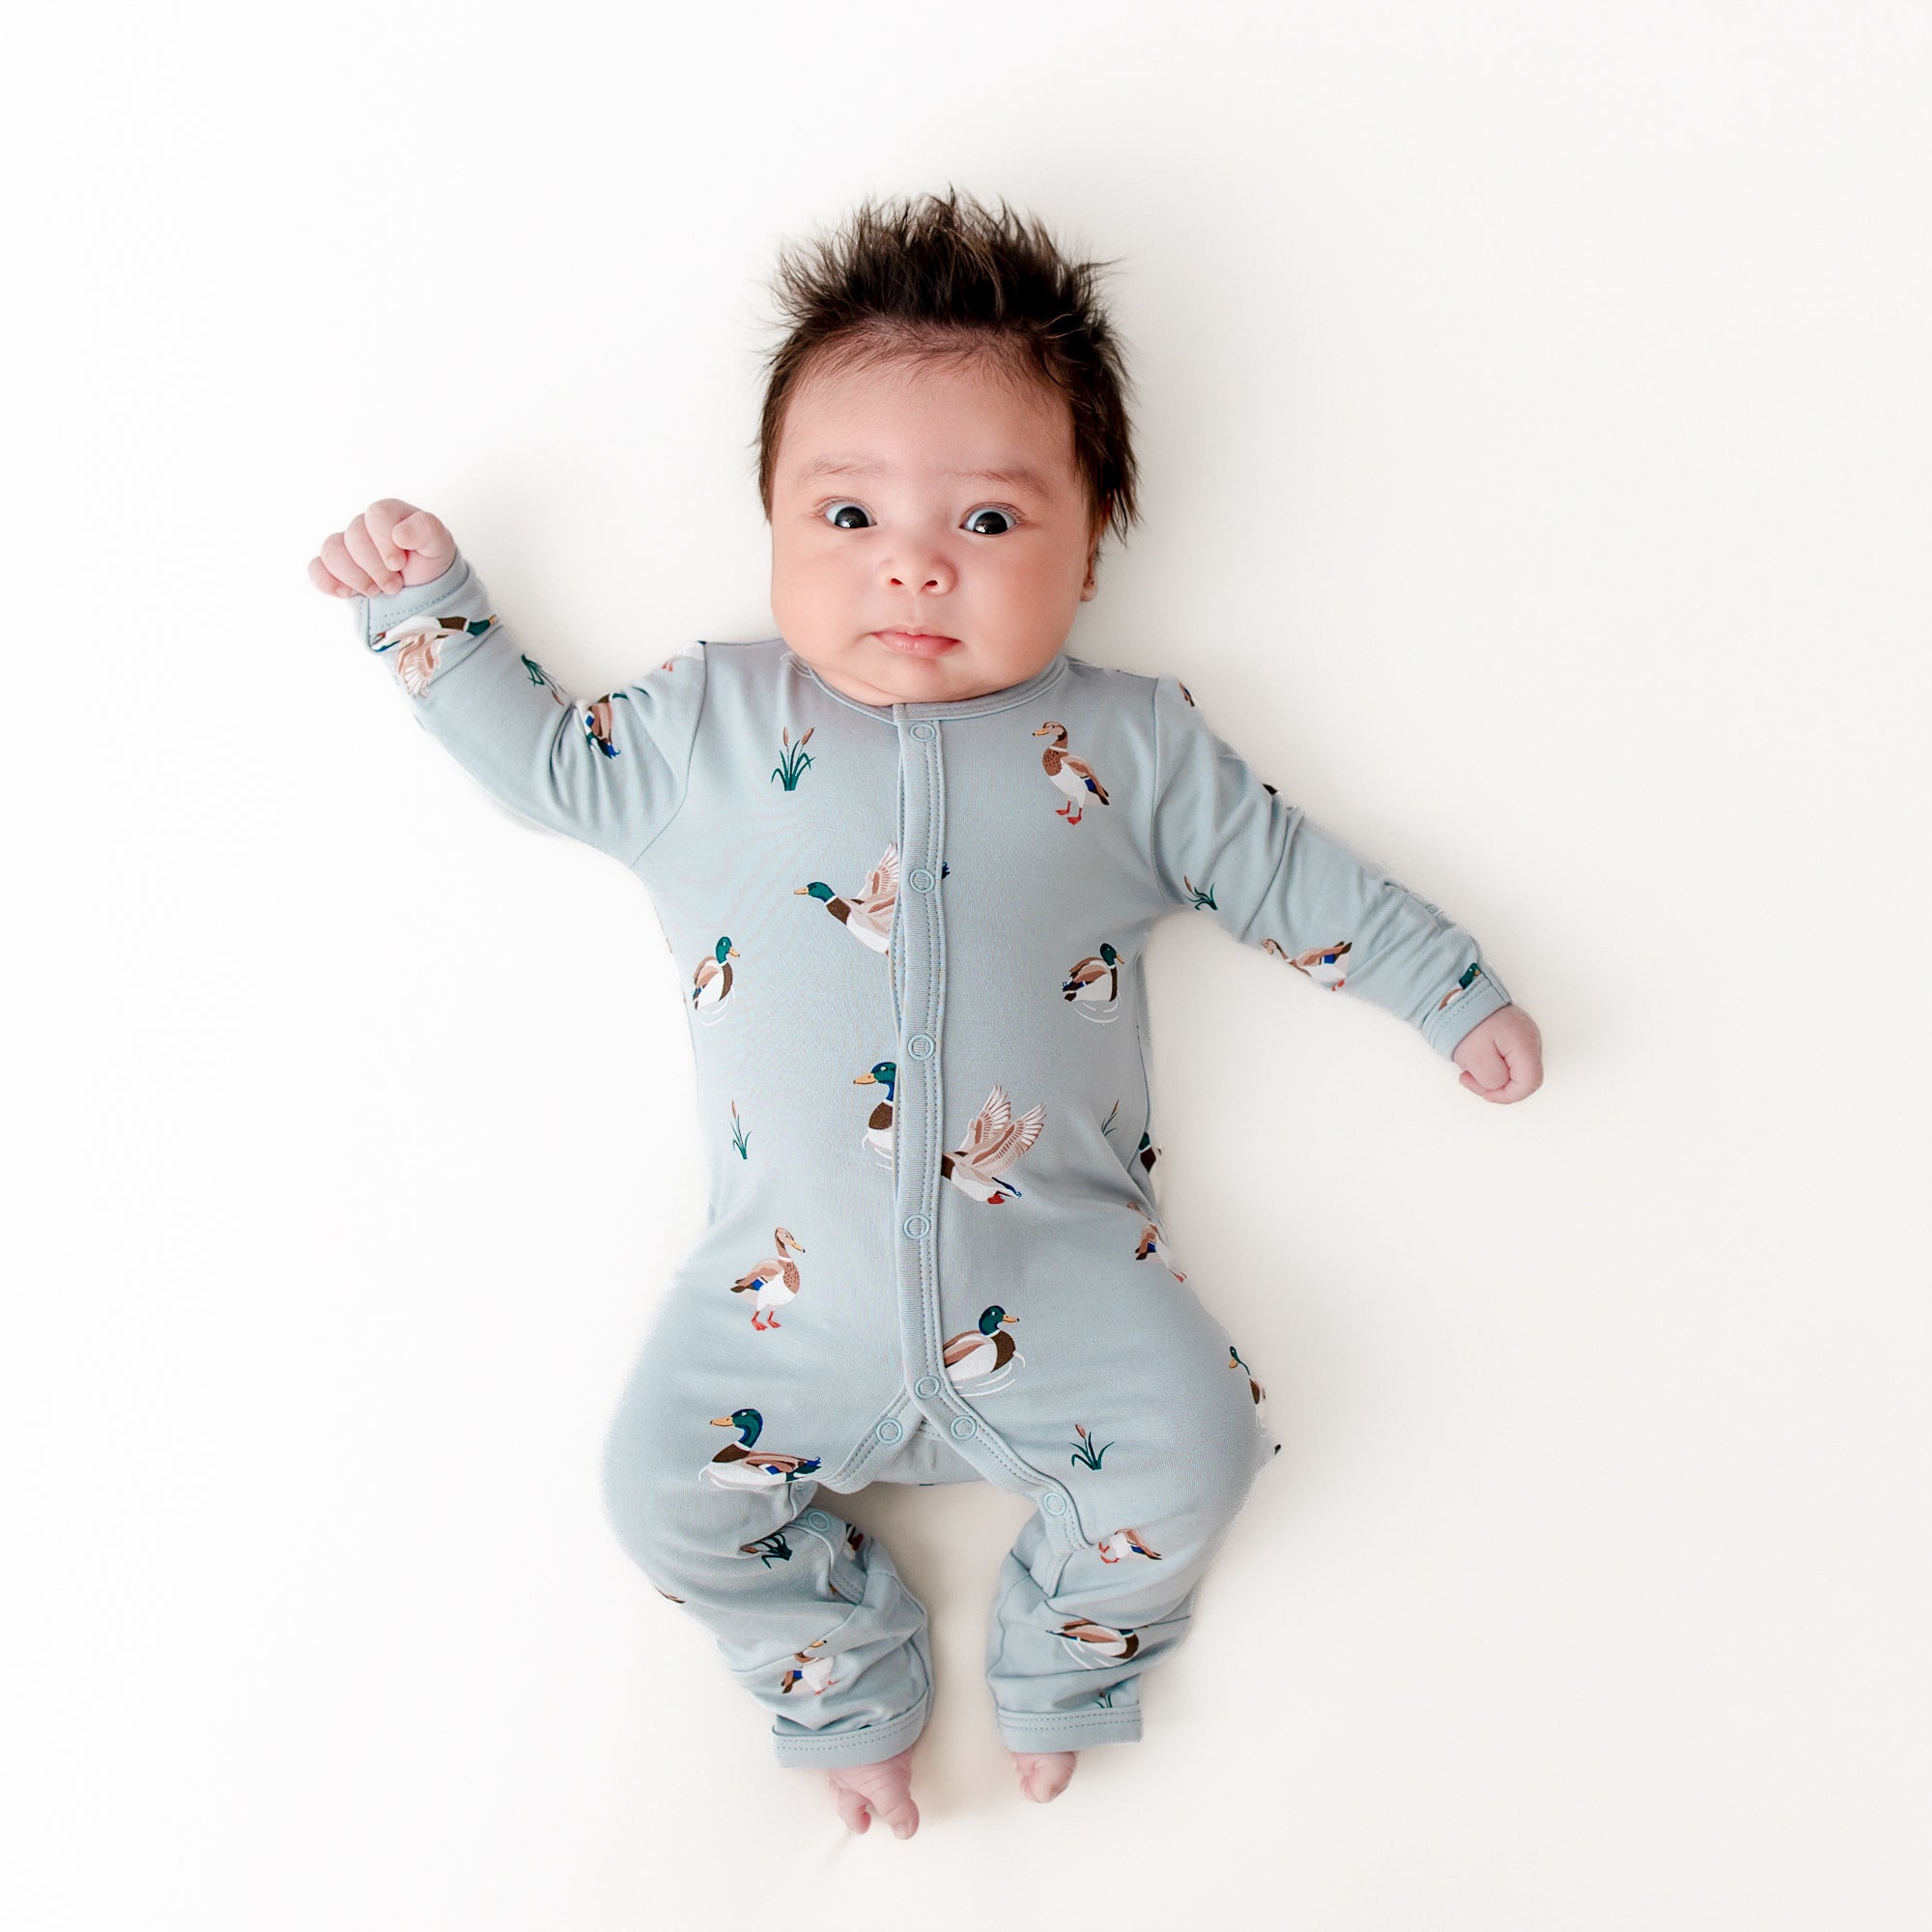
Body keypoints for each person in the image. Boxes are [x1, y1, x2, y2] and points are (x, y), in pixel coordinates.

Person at [307, 187, 1544, 1841]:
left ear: (1090, 541)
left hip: (1071, 1282)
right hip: (778, 1303)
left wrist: (1447, 989)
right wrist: (426, 611)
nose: (912, 561)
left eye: (987, 522)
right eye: (847, 517)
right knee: (656, 1495)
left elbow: (1292, 877)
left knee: (1202, 1453)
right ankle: (836, 1670)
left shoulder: (1130, 747)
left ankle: (1064, 1653)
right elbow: (543, 765)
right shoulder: (707, 728)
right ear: (768, 524)